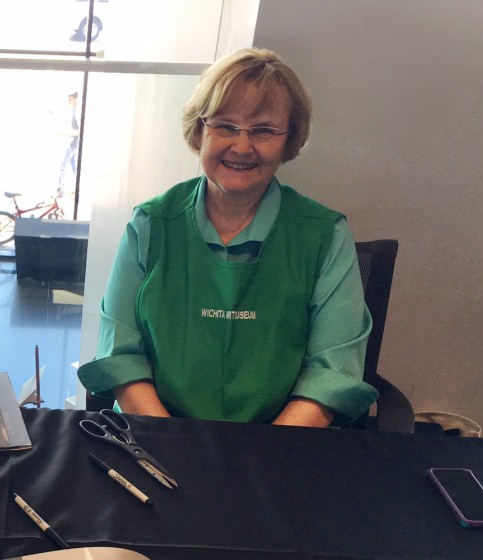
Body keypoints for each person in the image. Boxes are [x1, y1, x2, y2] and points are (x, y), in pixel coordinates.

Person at [77, 48, 378, 427]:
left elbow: (331, 373)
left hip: (279, 448)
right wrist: (175, 445)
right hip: (159, 439)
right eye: (225, 125)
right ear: (200, 131)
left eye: (264, 130)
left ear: (290, 139)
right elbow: (121, 357)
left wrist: (261, 457)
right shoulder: (150, 224)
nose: (241, 146)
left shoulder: (325, 235)